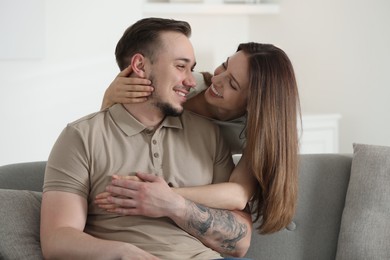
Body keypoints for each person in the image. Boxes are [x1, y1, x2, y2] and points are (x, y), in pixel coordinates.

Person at [40, 17, 252, 260]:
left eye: (191, 69)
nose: (192, 81)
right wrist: (122, 252)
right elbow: (57, 238)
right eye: (181, 66)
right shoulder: (81, 137)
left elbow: (241, 242)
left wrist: (173, 205)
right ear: (140, 65)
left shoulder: (210, 134)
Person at [98, 41, 301, 234]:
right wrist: (108, 98)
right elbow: (107, 133)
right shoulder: (186, 83)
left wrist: (162, 196)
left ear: (252, 104)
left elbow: (238, 195)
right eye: (224, 66)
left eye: (232, 84)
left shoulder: (253, 130)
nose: (217, 80)